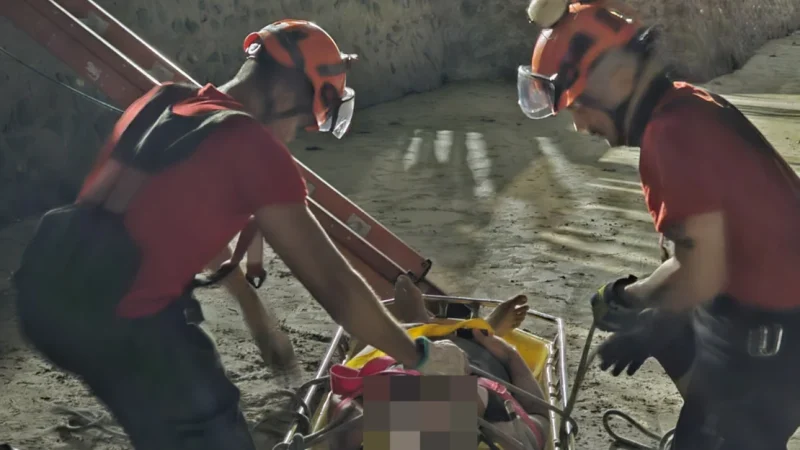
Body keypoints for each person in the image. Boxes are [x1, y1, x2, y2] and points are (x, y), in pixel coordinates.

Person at [15, 19, 468, 450]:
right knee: (209, 424)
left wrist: (253, 310)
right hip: (127, 321)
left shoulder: (165, 101)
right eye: (301, 120)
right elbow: (339, 291)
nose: (293, 136)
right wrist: (420, 357)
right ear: (283, 90)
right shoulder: (254, 146)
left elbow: (168, 215)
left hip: (45, 297)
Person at [519, 1, 800, 449]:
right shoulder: (686, 106)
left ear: (617, 80)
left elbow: (702, 272)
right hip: (770, 315)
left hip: (774, 337)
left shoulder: (671, 137)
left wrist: (654, 324)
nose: (578, 125)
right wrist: (631, 296)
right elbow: (694, 255)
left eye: (577, 105)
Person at [327, 275, 551, 450]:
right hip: (482, 371)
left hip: (410, 378)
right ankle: (476, 331)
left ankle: (423, 323)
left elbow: (345, 411)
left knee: (437, 364)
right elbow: (540, 416)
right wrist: (509, 354)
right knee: (463, 370)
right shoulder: (504, 428)